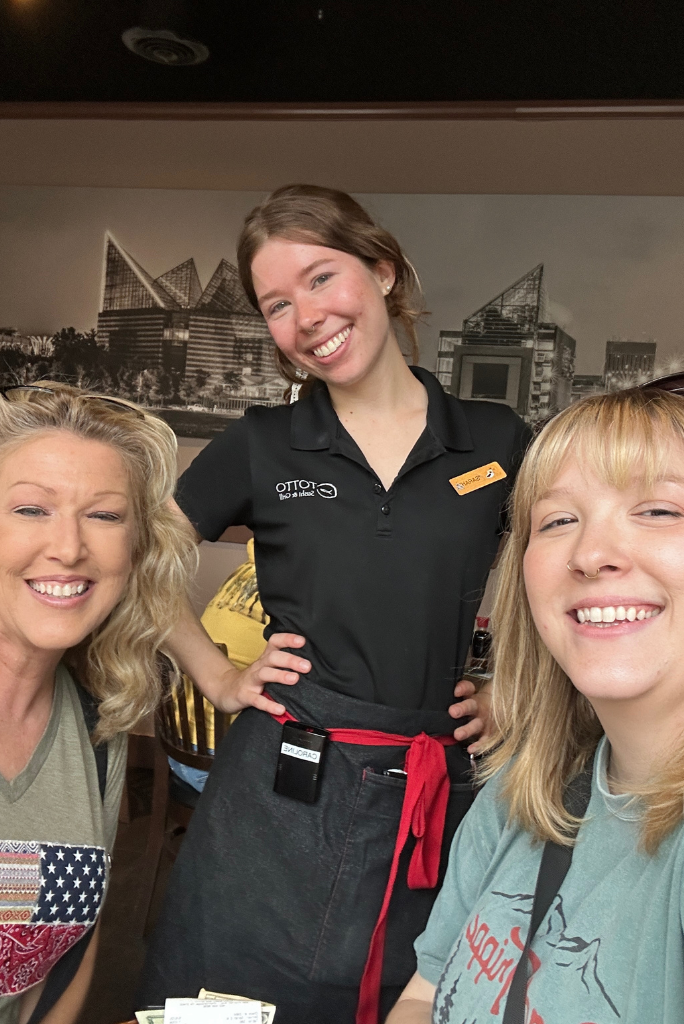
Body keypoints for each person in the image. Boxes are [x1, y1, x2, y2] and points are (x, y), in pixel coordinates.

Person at [139, 185, 531, 1024]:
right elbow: (135, 557)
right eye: (277, 304)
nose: (305, 316)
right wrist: (215, 674)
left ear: (384, 271)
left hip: (436, 777)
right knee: (228, 993)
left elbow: (568, 572)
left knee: (411, 995)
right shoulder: (262, 442)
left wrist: (520, 694)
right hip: (283, 776)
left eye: (322, 278)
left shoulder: (496, 438)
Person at [389, 383, 684, 1024]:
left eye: (660, 511)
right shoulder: (526, 788)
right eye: (557, 521)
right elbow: (423, 992)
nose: (590, 554)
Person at [0, 383, 196, 1024]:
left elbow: (66, 958)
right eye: (31, 509)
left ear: (138, 550)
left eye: (105, 516)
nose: (69, 547)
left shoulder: (98, 720)